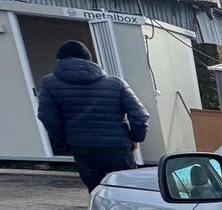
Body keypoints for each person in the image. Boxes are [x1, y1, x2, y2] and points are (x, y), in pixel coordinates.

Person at [36, 40, 149, 191]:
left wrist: (67, 140)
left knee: (96, 192)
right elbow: (140, 116)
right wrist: (135, 138)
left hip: (82, 147)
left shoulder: (49, 83)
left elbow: (47, 117)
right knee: (128, 191)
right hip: (118, 146)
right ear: (89, 60)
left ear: (59, 60)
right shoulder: (116, 83)